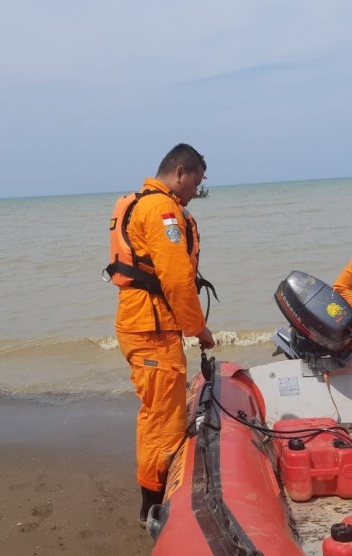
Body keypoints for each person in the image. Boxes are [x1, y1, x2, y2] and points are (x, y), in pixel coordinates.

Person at [105, 143, 215, 527]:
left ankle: (152, 495)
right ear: (181, 172)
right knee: (162, 418)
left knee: (157, 410)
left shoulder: (140, 202)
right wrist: (198, 328)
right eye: (196, 183)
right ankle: (152, 504)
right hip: (150, 327)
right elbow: (177, 278)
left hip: (142, 322)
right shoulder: (162, 209)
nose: (195, 193)